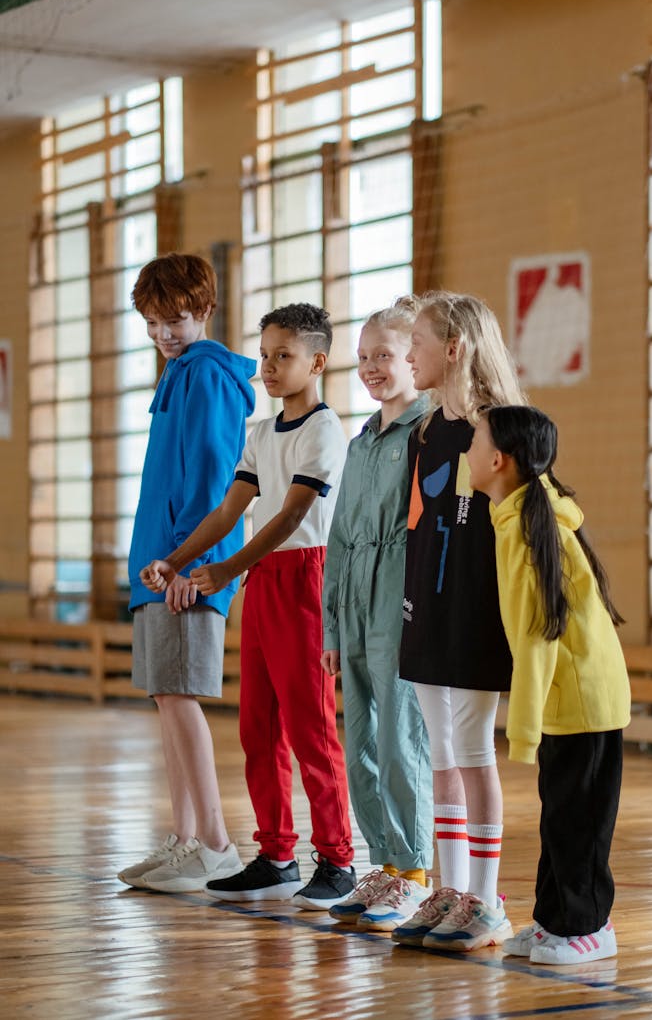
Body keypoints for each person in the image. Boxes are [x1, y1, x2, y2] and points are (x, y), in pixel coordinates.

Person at [140, 303, 356, 910]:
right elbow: (229, 511)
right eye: (263, 354)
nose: (267, 366)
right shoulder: (261, 434)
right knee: (256, 725)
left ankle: (337, 858)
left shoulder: (324, 430)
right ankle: (277, 853)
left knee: (311, 727)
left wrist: (224, 571)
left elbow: (290, 516)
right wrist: (178, 560)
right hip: (262, 581)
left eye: (282, 356)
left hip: (306, 579)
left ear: (316, 361)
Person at [466, 405, 630, 964]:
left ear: (497, 460)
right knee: (561, 814)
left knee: (581, 819)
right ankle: (554, 920)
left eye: (474, 442)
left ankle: (591, 927)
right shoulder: (516, 521)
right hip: (569, 697)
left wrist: (524, 728)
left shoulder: (531, 531)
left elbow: (539, 634)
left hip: (584, 699)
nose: (466, 452)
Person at [118, 252, 256, 893]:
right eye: (152, 323)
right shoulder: (177, 374)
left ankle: (217, 844)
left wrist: (189, 565)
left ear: (204, 309)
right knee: (166, 699)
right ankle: (185, 838)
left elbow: (211, 479)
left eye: (174, 319)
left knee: (181, 700)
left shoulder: (206, 375)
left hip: (183, 568)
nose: (163, 334)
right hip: (156, 566)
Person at [392, 290, 525, 953]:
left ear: (453, 348)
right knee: (441, 758)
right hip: (427, 614)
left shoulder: (499, 429)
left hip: (476, 620)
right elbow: (421, 526)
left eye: (415, 341)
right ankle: (450, 887)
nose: (406, 353)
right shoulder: (425, 430)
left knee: (473, 755)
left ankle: (485, 898)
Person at [320, 298, 434, 932]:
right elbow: (338, 542)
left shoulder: (427, 434)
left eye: (384, 356)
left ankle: (416, 871)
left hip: (398, 598)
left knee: (400, 739)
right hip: (354, 605)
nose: (370, 368)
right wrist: (332, 627)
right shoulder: (361, 441)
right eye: (362, 358)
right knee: (358, 740)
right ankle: (385, 864)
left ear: (413, 360)